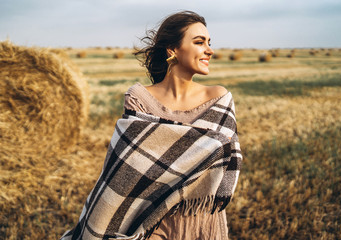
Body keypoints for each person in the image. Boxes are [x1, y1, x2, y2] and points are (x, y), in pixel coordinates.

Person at [60, 10, 242, 240]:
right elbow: (126, 172)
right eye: (199, 42)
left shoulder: (220, 99)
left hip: (197, 220)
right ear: (173, 50)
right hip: (149, 224)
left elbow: (226, 163)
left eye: (209, 42)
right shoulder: (139, 98)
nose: (210, 50)